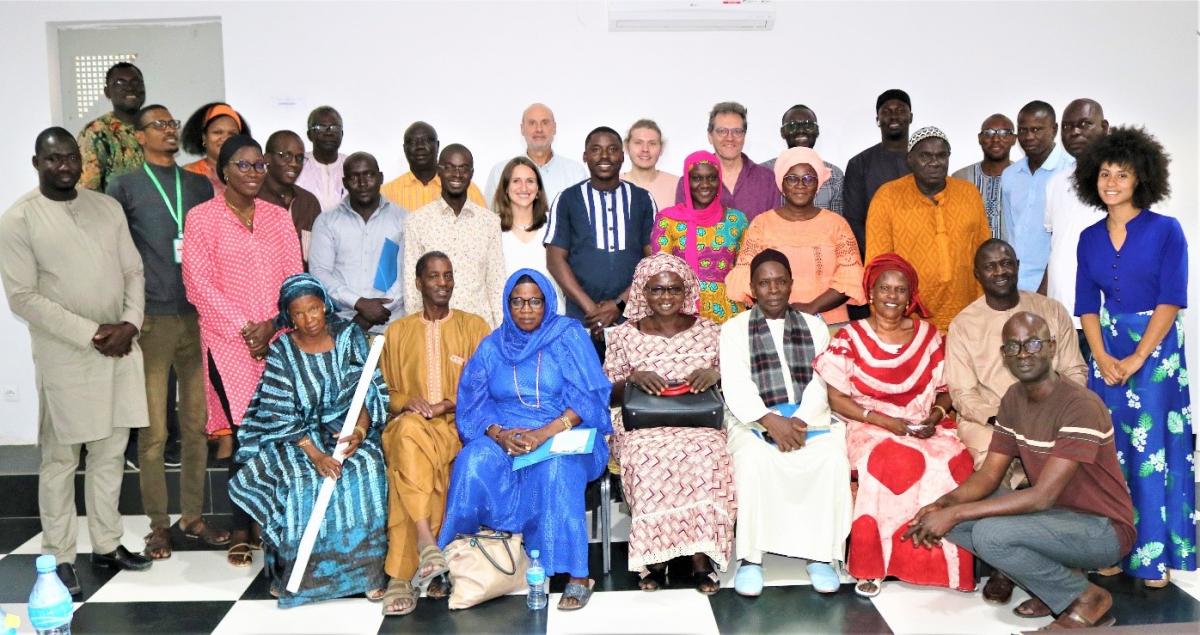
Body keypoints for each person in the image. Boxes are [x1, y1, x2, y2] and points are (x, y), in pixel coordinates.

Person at [907, 312, 1135, 629]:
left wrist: (956, 513)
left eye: (1033, 344)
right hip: (1055, 516)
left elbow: (1042, 497)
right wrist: (943, 505)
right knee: (955, 517)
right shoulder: (1014, 397)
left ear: (1052, 346)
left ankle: (1087, 598)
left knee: (989, 534)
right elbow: (989, 475)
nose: (1023, 353)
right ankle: (1059, 586)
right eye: (1013, 346)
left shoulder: (1079, 405)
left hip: (1102, 528)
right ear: (1005, 354)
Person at [0, 128, 153, 595]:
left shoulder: (106, 208)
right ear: (37, 163)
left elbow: (133, 270)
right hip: (67, 354)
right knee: (61, 459)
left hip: (120, 347)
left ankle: (106, 543)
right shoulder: (19, 220)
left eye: (70, 158)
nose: (64, 166)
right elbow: (23, 298)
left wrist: (130, 323)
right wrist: (91, 333)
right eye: (53, 159)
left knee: (110, 452)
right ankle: (60, 556)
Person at [438, 269, 613, 611]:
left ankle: (578, 575)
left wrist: (543, 433)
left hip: (564, 430)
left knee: (557, 470)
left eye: (535, 301)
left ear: (547, 303)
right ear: (507, 304)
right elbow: (473, 402)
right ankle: (459, 558)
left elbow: (588, 398)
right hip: (507, 434)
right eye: (517, 302)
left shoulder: (567, 336)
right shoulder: (493, 346)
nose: (526, 309)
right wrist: (500, 434)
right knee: (473, 461)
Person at [105, 105, 229, 559]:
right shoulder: (124, 186)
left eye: (172, 124)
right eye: (158, 125)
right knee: (155, 431)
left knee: (196, 426)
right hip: (151, 318)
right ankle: (158, 525)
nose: (169, 130)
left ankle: (192, 517)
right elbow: (114, 253)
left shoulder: (198, 185)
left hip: (196, 318)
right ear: (139, 136)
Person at [812, 254, 975, 597]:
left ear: (910, 296)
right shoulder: (850, 337)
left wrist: (935, 416)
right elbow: (836, 397)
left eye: (900, 290)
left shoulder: (929, 336)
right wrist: (885, 421)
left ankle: (941, 565)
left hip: (924, 424)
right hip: (868, 424)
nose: (892, 295)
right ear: (870, 294)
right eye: (884, 288)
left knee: (954, 461)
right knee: (891, 460)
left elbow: (946, 390)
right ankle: (873, 565)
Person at [1074, 126, 1194, 588]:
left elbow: (1171, 298)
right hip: (1107, 349)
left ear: (1141, 178)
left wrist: (1139, 358)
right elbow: (1087, 305)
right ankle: (1111, 549)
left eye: (1122, 174)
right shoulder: (1089, 237)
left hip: (1157, 353)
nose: (1111, 182)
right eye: (1105, 173)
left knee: (1152, 452)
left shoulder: (1166, 230)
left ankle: (1152, 558)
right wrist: (1101, 356)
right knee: (1109, 453)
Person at [228, 273, 389, 606]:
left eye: (313, 309)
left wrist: (359, 432)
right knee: (301, 481)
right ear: (288, 317)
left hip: (347, 428)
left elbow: (368, 389)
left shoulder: (348, 337)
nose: (309, 319)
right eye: (298, 313)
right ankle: (299, 577)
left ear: (325, 306)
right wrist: (316, 456)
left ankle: (367, 574)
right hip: (297, 438)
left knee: (367, 469)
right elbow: (279, 413)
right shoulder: (282, 351)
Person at [181, 134, 304, 567]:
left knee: (275, 433)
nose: (253, 173)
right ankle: (239, 526)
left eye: (258, 166)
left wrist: (273, 323)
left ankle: (269, 523)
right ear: (224, 171)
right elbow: (197, 284)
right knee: (244, 434)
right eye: (243, 165)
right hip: (226, 343)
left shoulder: (278, 218)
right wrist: (244, 329)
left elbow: (294, 278)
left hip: (277, 340)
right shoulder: (202, 218)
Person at [720, 249, 852, 597]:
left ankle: (820, 556)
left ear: (791, 284)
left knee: (831, 459)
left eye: (780, 281)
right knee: (752, 460)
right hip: (753, 418)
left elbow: (822, 381)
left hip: (810, 417)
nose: (774, 289)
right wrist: (770, 421)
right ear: (752, 288)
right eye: (764, 283)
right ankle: (751, 559)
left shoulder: (814, 325)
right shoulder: (733, 330)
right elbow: (735, 384)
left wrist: (800, 421)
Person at [603, 253, 736, 594]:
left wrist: (717, 374)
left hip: (699, 422)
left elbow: (736, 380)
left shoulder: (711, 332)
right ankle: (655, 557)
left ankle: (700, 556)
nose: (666, 297)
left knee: (709, 453)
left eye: (674, 289)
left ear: (686, 290)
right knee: (648, 456)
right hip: (640, 425)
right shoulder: (622, 336)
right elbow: (607, 393)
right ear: (642, 292)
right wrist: (632, 379)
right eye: (657, 289)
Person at [378, 251, 491, 616]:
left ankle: (401, 574)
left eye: (448, 275)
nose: (443, 283)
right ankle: (428, 546)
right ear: (418, 282)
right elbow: (382, 393)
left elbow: (486, 388)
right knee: (409, 432)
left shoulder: (474, 328)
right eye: (434, 276)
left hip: (456, 428)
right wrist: (406, 401)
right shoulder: (397, 332)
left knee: (408, 466)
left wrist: (446, 405)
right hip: (410, 425)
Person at [947, 239, 1088, 470]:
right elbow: (963, 393)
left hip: (1051, 413)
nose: (1000, 271)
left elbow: (1074, 370)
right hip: (989, 420)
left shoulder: (1052, 310)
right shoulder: (963, 325)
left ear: (1017, 266)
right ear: (977, 274)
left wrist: (1054, 409)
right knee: (994, 463)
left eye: (1006, 263)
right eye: (990, 266)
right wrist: (999, 418)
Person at [865, 126, 991, 332]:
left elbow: (984, 253)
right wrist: (887, 320)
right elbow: (877, 265)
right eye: (925, 156)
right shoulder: (887, 197)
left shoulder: (968, 193)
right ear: (910, 159)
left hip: (967, 314)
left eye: (941, 155)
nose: (934, 162)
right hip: (909, 319)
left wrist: (985, 308)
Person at [727, 146, 864, 327]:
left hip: (830, 323)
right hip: (774, 322)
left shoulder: (837, 224)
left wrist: (812, 307)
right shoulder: (761, 224)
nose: (800, 184)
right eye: (792, 178)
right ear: (781, 184)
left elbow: (851, 278)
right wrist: (781, 311)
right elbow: (746, 277)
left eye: (808, 178)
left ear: (818, 184)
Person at [545, 127, 655, 345]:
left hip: (633, 318)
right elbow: (555, 260)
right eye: (596, 150)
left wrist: (619, 305)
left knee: (632, 369)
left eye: (612, 149)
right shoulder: (567, 199)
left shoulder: (642, 199)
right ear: (585, 156)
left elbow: (653, 261)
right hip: (582, 319)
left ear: (622, 156)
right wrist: (592, 311)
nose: (604, 156)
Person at [404, 144, 505, 327]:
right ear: (439, 171)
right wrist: (417, 330)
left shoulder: (489, 222)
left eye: (463, 168)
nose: (457, 174)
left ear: (471, 173)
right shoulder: (417, 221)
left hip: (480, 328)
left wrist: (501, 332)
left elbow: (496, 283)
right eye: (449, 167)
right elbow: (412, 286)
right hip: (434, 327)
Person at [1040, 99, 1109, 359]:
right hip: (1062, 315)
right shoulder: (1055, 183)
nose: (1075, 132)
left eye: (1084, 124)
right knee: (1067, 384)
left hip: (1105, 315)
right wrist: (1042, 302)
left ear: (1104, 127)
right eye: (1068, 126)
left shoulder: (1119, 182)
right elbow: (1056, 245)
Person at [308, 152, 407, 334]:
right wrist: (358, 303)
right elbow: (319, 272)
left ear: (380, 178)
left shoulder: (403, 219)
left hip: (392, 324)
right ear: (345, 183)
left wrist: (377, 311)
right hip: (342, 322)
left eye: (369, 175)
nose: (362, 183)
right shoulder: (326, 221)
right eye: (354, 177)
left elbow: (407, 272)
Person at [651, 150, 747, 324]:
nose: (705, 184)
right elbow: (661, 272)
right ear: (687, 182)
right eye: (697, 178)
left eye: (712, 178)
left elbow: (745, 268)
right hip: (681, 313)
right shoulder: (668, 220)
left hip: (729, 313)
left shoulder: (737, 220)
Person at [1001, 101, 1072, 292]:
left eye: (1036, 129)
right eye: (1023, 130)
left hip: (1058, 283)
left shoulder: (1070, 171)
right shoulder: (1010, 175)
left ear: (1054, 129)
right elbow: (1011, 231)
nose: (1028, 137)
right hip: (1016, 282)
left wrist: (1047, 285)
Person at [672, 102, 779, 221]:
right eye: (722, 131)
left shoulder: (768, 179)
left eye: (737, 131)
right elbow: (681, 227)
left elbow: (776, 227)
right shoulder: (689, 181)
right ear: (710, 136)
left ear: (744, 136)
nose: (730, 138)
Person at [843, 89, 913, 262]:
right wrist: (882, 258)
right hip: (877, 259)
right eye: (886, 112)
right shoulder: (859, 164)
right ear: (878, 120)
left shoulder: (927, 160)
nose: (894, 116)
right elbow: (853, 221)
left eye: (900, 110)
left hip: (923, 255)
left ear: (910, 117)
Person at [492, 156, 561, 310]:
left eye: (530, 181)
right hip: (506, 316)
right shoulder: (491, 227)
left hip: (551, 316)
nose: (524, 187)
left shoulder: (555, 224)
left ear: (538, 190)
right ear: (506, 188)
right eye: (516, 181)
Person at [484, 103, 588, 204]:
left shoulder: (576, 173)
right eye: (532, 123)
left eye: (545, 122)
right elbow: (489, 214)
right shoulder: (500, 172)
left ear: (554, 128)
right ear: (522, 129)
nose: (539, 129)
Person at [380, 121, 487, 210]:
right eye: (412, 142)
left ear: (437, 145)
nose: (420, 146)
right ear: (404, 149)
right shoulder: (386, 193)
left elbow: (485, 225)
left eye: (427, 140)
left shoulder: (469, 190)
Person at [762, 104, 845, 215]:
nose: (801, 130)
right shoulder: (763, 173)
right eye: (792, 126)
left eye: (808, 125)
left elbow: (838, 221)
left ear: (817, 131)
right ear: (783, 132)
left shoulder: (834, 175)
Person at [77, 62, 146, 192]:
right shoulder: (96, 133)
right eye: (120, 83)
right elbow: (88, 191)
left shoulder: (155, 126)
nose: (130, 88)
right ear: (107, 92)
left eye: (136, 82)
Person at [257, 130, 322, 263]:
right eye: (286, 156)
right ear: (267, 159)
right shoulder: (251, 198)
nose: (294, 163)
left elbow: (317, 256)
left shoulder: (309, 202)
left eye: (299, 158)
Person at [952, 114, 1017, 238]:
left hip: (1014, 250)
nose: (996, 139)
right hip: (971, 250)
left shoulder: (1024, 178)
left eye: (1004, 133)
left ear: (1014, 139)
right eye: (988, 133)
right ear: (980, 138)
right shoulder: (960, 178)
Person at [180, 102, 252, 195]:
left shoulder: (251, 173)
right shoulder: (187, 174)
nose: (225, 138)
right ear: (204, 137)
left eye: (232, 134)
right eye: (217, 132)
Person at [296, 106, 348, 212]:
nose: (328, 133)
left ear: (342, 134)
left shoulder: (351, 166)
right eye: (321, 127)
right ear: (309, 135)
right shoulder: (297, 164)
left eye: (334, 128)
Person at [619, 119, 678, 209]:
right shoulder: (613, 185)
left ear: (661, 148)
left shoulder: (678, 185)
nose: (645, 149)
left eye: (652, 143)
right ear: (627, 147)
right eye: (638, 143)